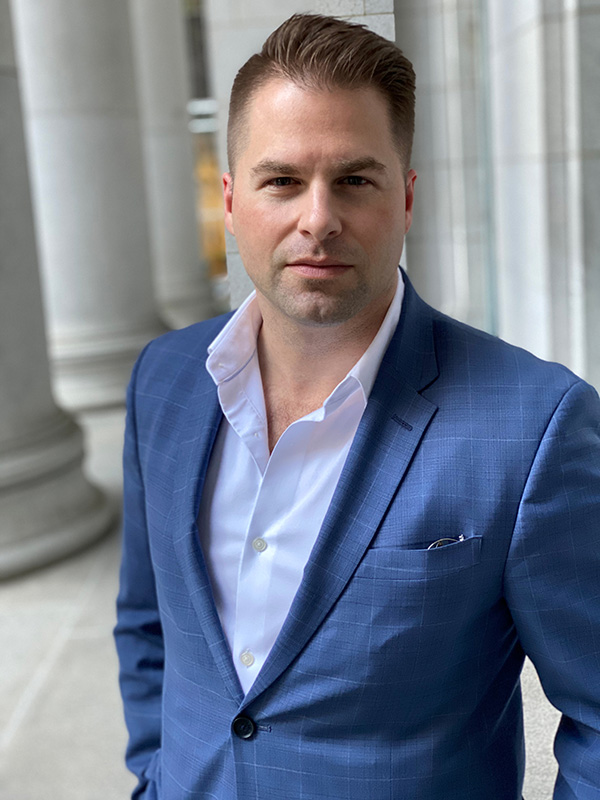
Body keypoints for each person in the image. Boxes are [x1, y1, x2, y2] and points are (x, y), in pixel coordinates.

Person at [114, 13, 600, 800]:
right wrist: (154, 775)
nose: (318, 219)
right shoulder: (163, 379)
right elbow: (147, 625)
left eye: (354, 179)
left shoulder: (535, 427)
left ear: (404, 199)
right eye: (281, 181)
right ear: (232, 200)